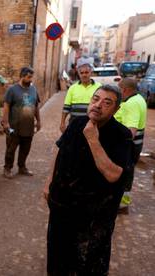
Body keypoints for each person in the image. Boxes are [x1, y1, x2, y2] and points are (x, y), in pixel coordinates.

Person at [43, 85, 133, 275]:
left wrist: (93, 139)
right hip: (62, 208)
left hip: (93, 218)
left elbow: (113, 174)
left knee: (88, 266)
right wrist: (49, 181)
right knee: (57, 260)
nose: (98, 105)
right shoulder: (76, 123)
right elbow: (59, 149)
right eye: (95, 99)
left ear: (116, 109)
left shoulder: (121, 135)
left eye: (107, 103)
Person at [114, 78, 147, 213]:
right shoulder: (139, 98)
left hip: (129, 145)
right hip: (136, 145)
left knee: (123, 172)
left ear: (124, 90)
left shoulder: (131, 104)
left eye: (118, 88)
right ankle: (123, 201)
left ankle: (121, 203)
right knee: (128, 171)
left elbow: (130, 132)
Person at [1, 67, 41, 178]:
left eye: (32, 77)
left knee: (26, 148)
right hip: (14, 126)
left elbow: (36, 106)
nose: (31, 79)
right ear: (22, 76)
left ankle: (22, 167)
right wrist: (6, 123)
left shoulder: (33, 89)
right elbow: (6, 107)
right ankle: (7, 168)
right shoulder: (12, 90)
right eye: (29, 77)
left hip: (28, 127)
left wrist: (38, 121)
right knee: (11, 148)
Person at [60, 60, 101, 133]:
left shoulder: (99, 87)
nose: (84, 75)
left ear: (90, 73)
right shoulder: (72, 88)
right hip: (74, 124)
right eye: (81, 73)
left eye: (86, 72)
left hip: (92, 125)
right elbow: (66, 107)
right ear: (78, 74)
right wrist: (62, 123)